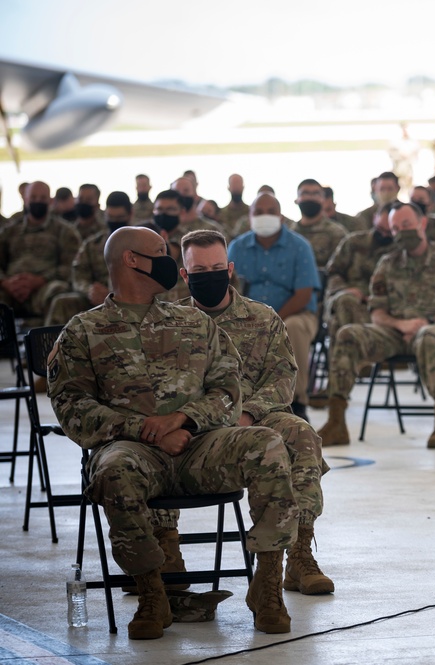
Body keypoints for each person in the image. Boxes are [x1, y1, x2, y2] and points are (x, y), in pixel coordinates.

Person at [47, 226, 298, 638]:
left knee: (267, 444)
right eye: (161, 252)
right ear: (132, 260)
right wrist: (147, 431)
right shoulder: (83, 331)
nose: (169, 260)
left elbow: (228, 388)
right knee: (112, 471)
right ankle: (153, 593)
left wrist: (184, 420)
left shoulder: (193, 322)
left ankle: (267, 586)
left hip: (200, 446)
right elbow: (72, 409)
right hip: (133, 452)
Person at [177, 229, 333, 596]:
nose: (210, 275)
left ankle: (299, 553)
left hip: (256, 416)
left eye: (217, 267)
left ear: (230, 269)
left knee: (302, 434)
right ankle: (166, 556)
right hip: (197, 425)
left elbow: (283, 378)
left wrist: (248, 414)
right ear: (184, 275)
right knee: (151, 445)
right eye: (199, 270)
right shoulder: (171, 324)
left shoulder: (262, 318)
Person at [318, 202, 435, 449]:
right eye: (395, 228)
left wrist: (427, 322)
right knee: (348, 334)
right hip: (395, 331)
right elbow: (377, 312)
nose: (401, 232)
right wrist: (401, 324)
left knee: (428, 336)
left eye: (406, 225)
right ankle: (336, 422)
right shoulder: (387, 263)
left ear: (422, 223)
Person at [229, 192, 322, 421]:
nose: (265, 216)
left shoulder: (300, 246)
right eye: (258, 212)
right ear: (249, 217)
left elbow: (303, 294)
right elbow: (229, 288)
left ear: (281, 216)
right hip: (248, 314)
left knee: (294, 328)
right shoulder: (237, 247)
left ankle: (298, 401)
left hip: (295, 314)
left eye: (271, 212)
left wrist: (272, 320)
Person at [45, 191, 132, 326]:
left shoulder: (143, 243)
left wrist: (115, 295)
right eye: (110, 217)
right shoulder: (92, 244)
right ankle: (55, 346)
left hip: (133, 298)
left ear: (130, 215)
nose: (114, 222)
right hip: (97, 298)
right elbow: (78, 274)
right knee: (62, 302)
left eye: (119, 218)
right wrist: (90, 290)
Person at [322, 204, 398, 352]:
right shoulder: (353, 242)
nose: (383, 235)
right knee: (345, 301)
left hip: (384, 305)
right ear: (375, 218)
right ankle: (351, 359)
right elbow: (333, 272)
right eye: (381, 229)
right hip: (350, 298)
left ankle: (358, 358)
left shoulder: (400, 250)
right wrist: (345, 289)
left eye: (389, 232)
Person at [0, 181, 81, 319]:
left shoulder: (65, 231)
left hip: (45, 287)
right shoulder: (10, 231)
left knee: (59, 291)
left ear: (50, 201)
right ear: (25, 200)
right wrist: (6, 283)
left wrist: (39, 280)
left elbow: (71, 267)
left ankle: (52, 339)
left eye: (42, 198)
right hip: (10, 288)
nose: (38, 201)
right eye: (33, 198)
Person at [290, 178, 348, 269]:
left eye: (315, 193)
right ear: (297, 200)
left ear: (323, 200)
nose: (310, 197)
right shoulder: (289, 233)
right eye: (305, 193)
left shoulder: (337, 233)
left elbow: (341, 271)